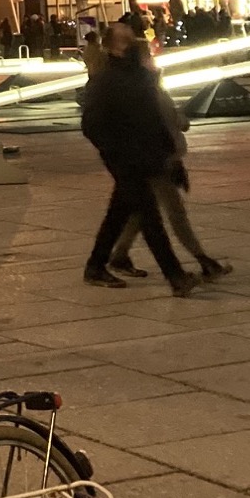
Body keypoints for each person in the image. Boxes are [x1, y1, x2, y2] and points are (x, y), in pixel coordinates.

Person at [81, 23, 195, 295]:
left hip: (145, 156)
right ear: (112, 47)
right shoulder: (105, 81)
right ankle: (175, 276)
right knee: (149, 217)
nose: (131, 45)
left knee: (118, 214)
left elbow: (155, 121)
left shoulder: (140, 78)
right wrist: (114, 152)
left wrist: (169, 156)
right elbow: (91, 125)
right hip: (125, 160)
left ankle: (96, 266)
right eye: (125, 41)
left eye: (132, 39)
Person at [108, 54, 230, 281]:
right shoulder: (150, 93)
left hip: (156, 159)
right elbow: (174, 124)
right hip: (160, 162)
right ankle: (203, 260)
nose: (155, 64)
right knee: (175, 213)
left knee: (141, 211)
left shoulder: (147, 90)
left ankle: (119, 255)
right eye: (149, 60)